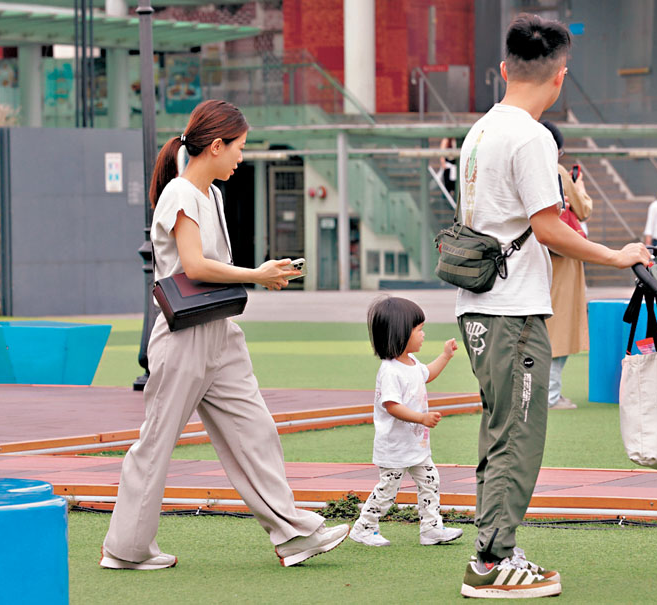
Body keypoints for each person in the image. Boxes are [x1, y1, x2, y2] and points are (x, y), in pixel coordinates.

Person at [101, 100, 348, 571]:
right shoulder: (180, 195)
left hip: (220, 332)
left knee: (256, 432)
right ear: (215, 146)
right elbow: (193, 266)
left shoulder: (210, 194)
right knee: (156, 443)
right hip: (183, 338)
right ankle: (126, 549)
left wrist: (258, 277)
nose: (241, 157)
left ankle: (292, 533)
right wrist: (258, 274)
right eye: (238, 148)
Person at [455, 14, 650, 599]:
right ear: (560, 76)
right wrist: (616, 256)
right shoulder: (533, 138)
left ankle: (496, 547)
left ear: (503, 69)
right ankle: (491, 562)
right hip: (513, 311)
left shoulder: (480, 131)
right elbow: (549, 229)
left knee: (499, 431)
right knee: (520, 435)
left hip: (478, 307)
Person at [349, 296, 464, 548]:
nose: (423, 335)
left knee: (430, 481)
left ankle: (431, 528)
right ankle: (364, 527)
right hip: (395, 447)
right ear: (400, 333)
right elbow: (391, 406)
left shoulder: (411, 364)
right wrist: (421, 418)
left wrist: (445, 356)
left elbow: (428, 375)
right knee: (388, 490)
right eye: (419, 330)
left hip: (416, 446)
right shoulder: (390, 370)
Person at [541, 121, 590, 411]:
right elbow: (583, 210)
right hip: (562, 257)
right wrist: (580, 188)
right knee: (559, 328)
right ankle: (551, 395)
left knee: (543, 328)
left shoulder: (525, 168)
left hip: (537, 255)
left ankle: (548, 394)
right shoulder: (558, 171)